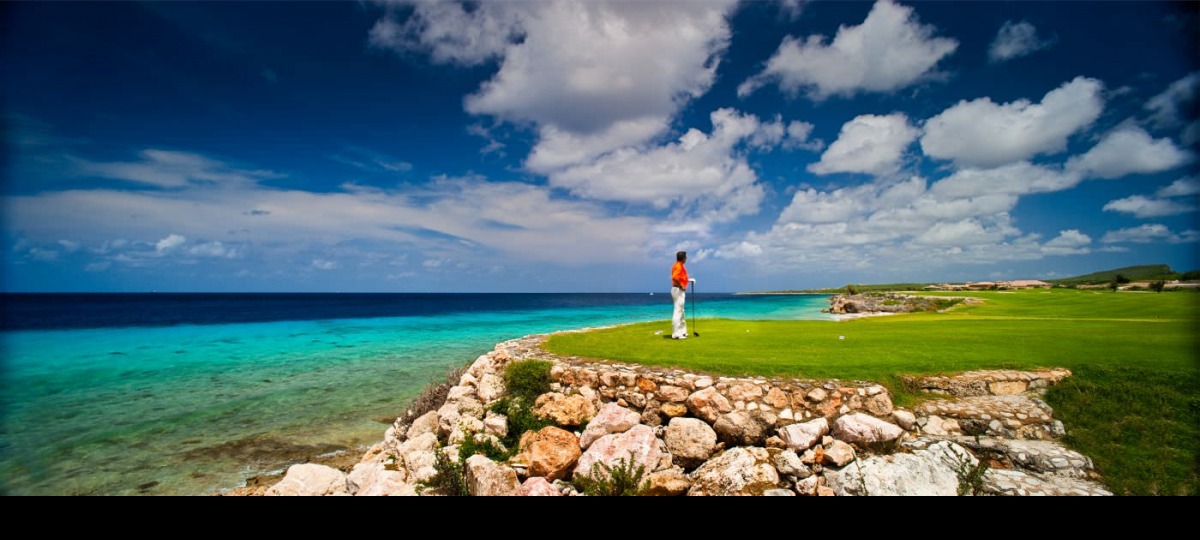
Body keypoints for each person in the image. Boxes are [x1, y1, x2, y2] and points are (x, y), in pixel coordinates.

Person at [670, 251, 695, 339]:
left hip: (677, 289)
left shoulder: (678, 265)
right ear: (683, 258)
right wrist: (681, 286)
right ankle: (676, 334)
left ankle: (682, 331)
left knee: (681, 311)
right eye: (686, 257)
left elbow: (680, 278)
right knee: (678, 311)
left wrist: (688, 280)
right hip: (678, 290)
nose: (686, 258)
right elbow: (675, 277)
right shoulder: (678, 266)